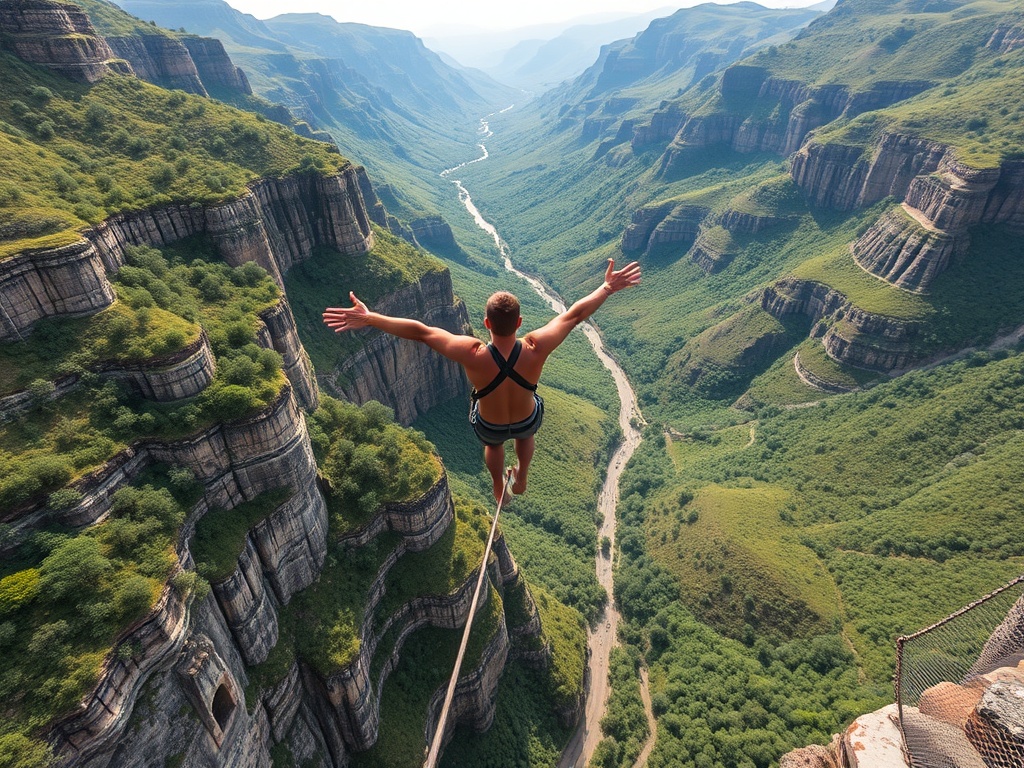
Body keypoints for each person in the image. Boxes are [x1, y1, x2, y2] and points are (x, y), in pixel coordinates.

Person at [322, 258, 641, 503]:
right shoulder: (536, 347)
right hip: (527, 417)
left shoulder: (471, 353)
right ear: (519, 322)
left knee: (493, 443)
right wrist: (607, 288)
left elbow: (421, 331)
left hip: (489, 423)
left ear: (486, 322)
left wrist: (370, 318)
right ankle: (523, 476)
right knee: (525, 435)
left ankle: (499, 485)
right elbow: (573, 315)